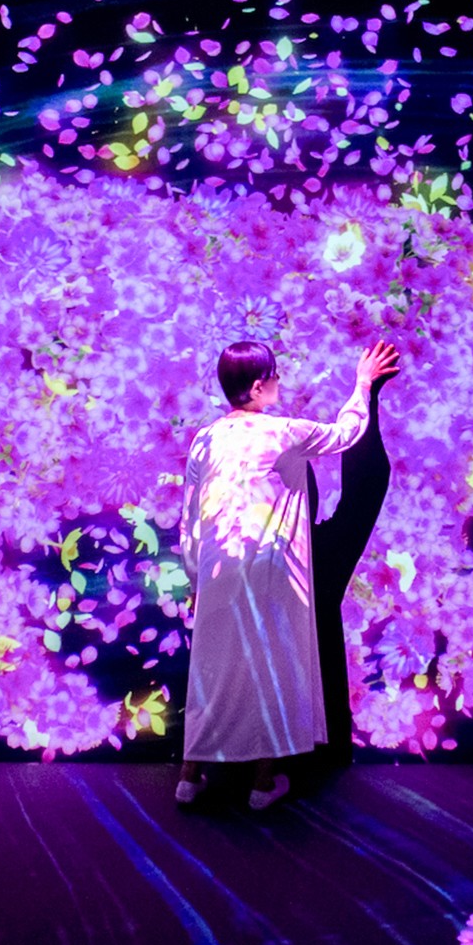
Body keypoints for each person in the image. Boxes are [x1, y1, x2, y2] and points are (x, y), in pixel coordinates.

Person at [177, 339, 400, 809]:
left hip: (218, 568)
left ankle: (189, 776)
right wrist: (363, 382)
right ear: (259, 386)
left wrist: (196, 578)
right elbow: (347, 432)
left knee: (212, 670)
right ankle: (261, 783)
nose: (279, 381)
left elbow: (191, 518)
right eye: (274, 375)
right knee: (270, 667)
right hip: (270, 571)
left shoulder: (206, 437)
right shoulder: (283, 432)